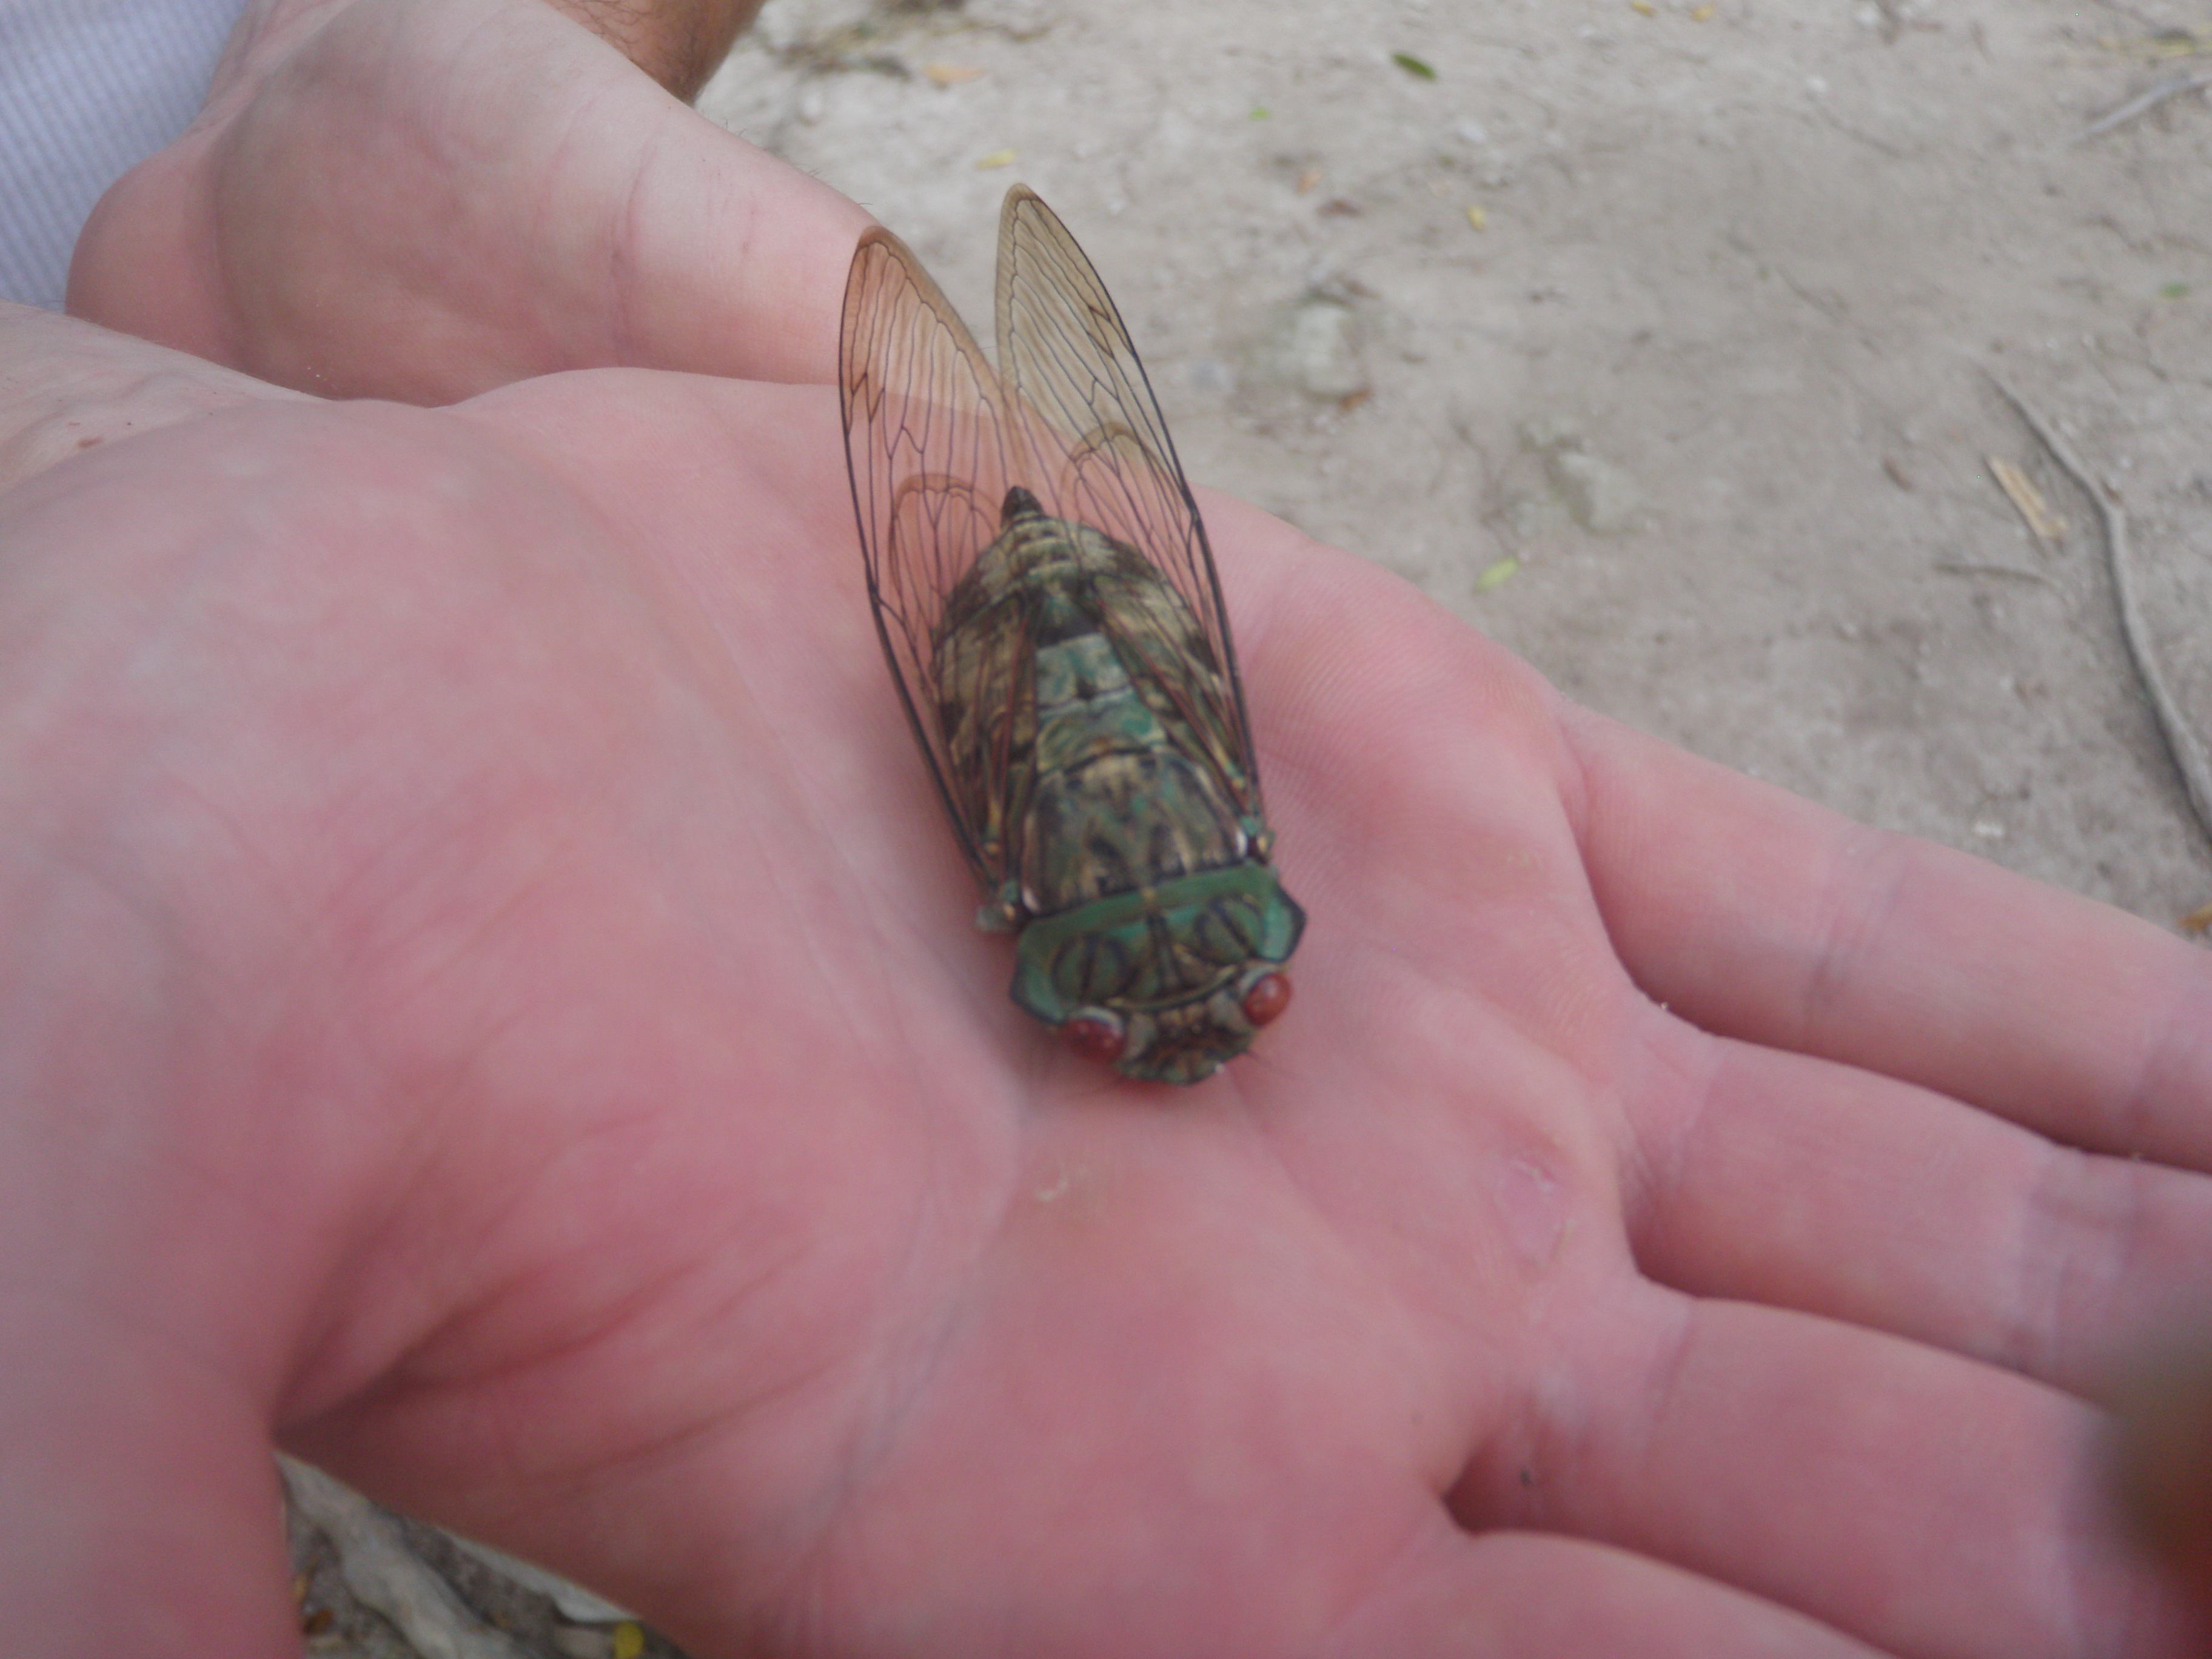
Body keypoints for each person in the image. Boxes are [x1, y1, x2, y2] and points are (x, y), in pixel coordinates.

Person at [2, 2, 2208, 1655]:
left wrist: (271, 131)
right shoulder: (1150, 891)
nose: (1174, 996)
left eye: (1216, 961)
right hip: (1034, 641)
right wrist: (78, 453)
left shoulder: (1078, 912)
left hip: (1038, 638)